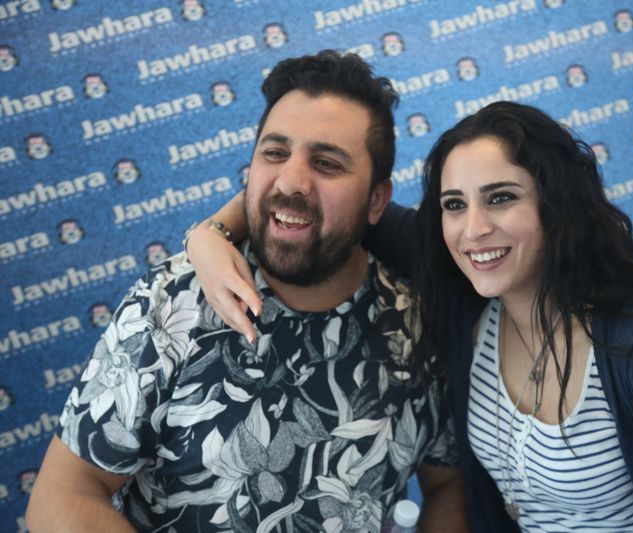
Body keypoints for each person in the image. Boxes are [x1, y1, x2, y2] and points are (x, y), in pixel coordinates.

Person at [187, 101, 633, 532]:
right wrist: (210, 235)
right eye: (454, 204)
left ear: (556, 207)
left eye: (501, 198)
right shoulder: (461, 291)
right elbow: (318, 200)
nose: (474, 229)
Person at [25, 50, 467, 533]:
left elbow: (448, 482)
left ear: (377, 199)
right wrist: (209, 233)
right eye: (274, 153)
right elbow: (63, 495)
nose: (291, 181)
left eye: (326, 163)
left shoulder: (416, 326)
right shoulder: (176, 302)